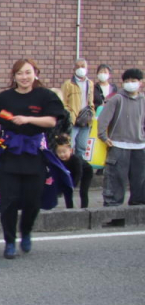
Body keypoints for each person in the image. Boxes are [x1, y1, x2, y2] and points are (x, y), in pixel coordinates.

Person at [0, 59, 69, 259]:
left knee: (32, 200)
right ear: (14, 76)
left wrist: (28, 119)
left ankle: (26, 231)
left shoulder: (45, 96)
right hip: (9, 154)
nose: (24, 77)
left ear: (35, 73)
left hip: (34, 154)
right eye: (20, 74)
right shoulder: (4, 98)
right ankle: (9, 241)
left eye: (28, 73)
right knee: (7, 201)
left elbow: (52, 120)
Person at [97, 68, 144, 207]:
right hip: (118, 146)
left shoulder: (143, 100)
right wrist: (104, 137)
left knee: (140, 182)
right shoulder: (117, 99)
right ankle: (112, 211)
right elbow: (103, 120)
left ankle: (138, 210)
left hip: (140, 147)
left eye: (133, 81)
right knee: (115, 181)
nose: (130, 84)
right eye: (127, 81)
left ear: (140, 82)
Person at [62, 58, 95, 156]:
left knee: (82, 146)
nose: (80, 69)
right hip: (73, 119)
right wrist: (70, 114)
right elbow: (63, 102)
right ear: (73, 69)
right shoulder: (68, 84)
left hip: (86, 119)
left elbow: (91, 101)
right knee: (69, 145)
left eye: (83, 66)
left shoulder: (90, 83)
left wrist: (91, 113)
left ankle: (80, 167)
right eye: (78, 66)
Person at [54, 135, 93, 210]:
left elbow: (79, 173)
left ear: (70, 151)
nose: (62, 155)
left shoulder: (75, 159)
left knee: (83, 191)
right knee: (67, 191)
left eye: (64, 152)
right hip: (71, 172)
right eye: (59, 152)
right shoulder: (57, 159)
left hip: (86, 171)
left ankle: (84, 209)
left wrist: (73, 185)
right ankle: (70, 209)